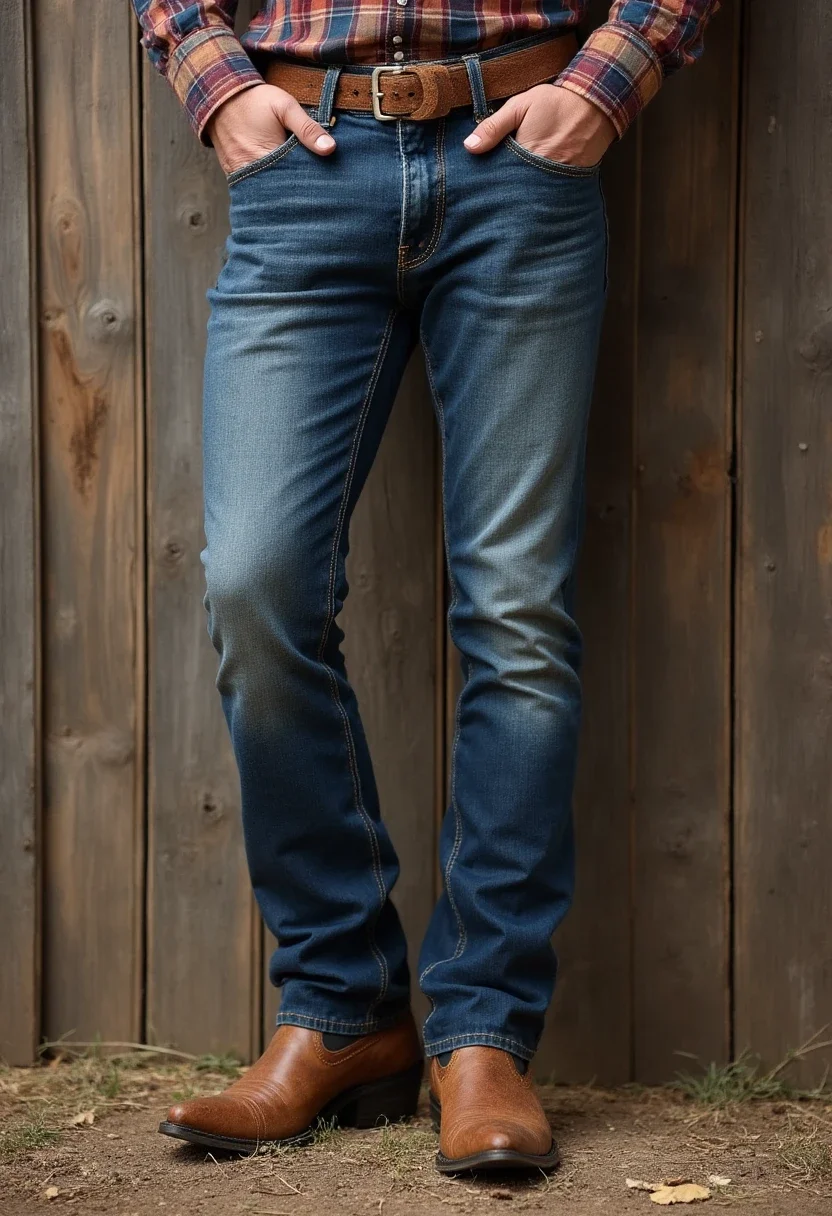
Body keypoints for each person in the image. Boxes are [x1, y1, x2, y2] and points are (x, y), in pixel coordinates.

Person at [133, 0, 719, 1174]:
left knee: (515, 610)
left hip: (520, 152)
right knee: (256, 586)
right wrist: (217, 84)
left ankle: (483, 1033)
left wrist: (603, 85)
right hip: (307, 162)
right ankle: (346, 1011)